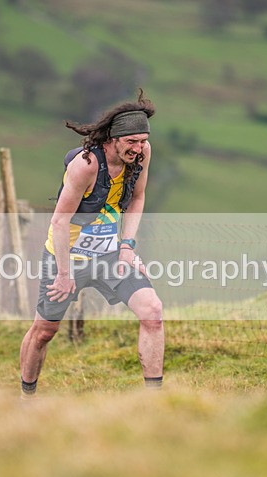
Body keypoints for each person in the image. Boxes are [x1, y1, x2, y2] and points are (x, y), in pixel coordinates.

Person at [19, 89, 164, 397]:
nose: (139, 149)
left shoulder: (142, 154)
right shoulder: (85, 165)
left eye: (143, 141)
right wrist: (63, 273)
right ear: (112, 138)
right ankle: (26, 397)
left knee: (152, 312)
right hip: (66, 256)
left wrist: (127, 247)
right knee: (45, 331)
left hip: (110, 255)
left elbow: (137, 199)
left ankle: (156, 401)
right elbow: (59, 222)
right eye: (131, 142)